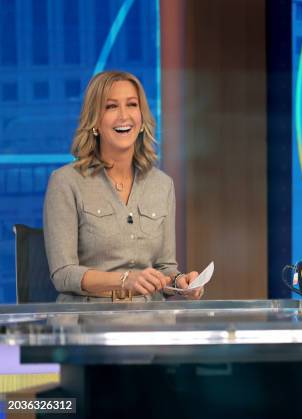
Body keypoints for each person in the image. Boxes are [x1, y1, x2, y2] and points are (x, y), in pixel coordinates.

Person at [44, 70, 202, 302]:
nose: (124, 116)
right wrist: (123, 280)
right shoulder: (65, 182)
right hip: (88, 324)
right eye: (111, 107)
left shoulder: (162, 184)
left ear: (141, 118)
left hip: (150, 325)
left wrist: (180, 282)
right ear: (95, 121)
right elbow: (63, 274)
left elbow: (165, 267)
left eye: (131, 105)